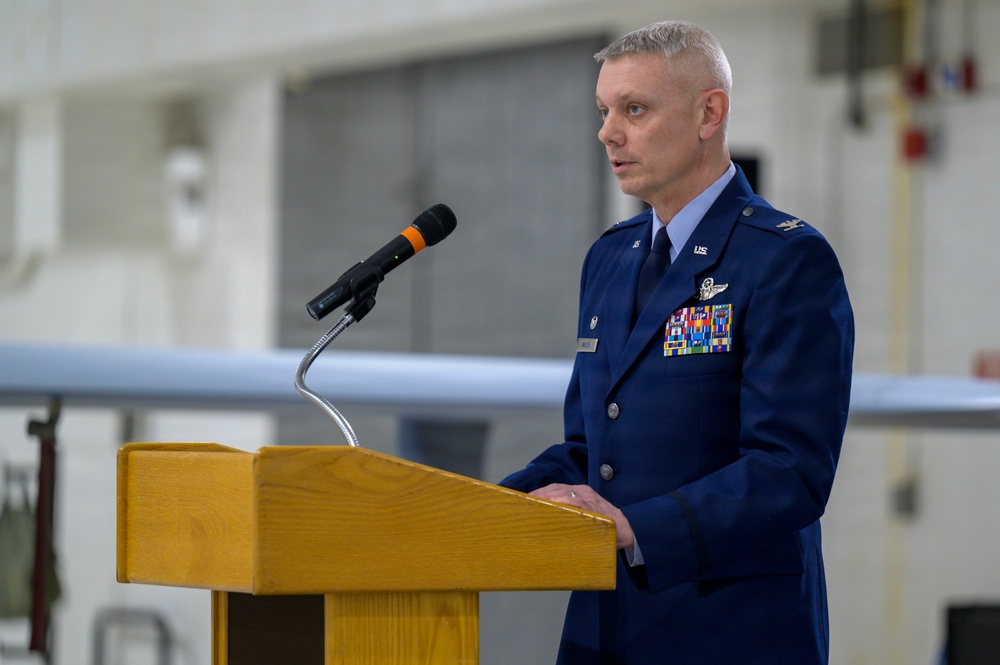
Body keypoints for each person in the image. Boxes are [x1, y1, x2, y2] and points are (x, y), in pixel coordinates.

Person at [499, 20, 854, 664]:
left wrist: (635, 527)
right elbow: (591, 447)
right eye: (605, 111)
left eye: (634, 109)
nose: (609, 132)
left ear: (708, 113)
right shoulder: (610, 258)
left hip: (728, 625)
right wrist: (487, 508)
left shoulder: (784, 259)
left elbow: (790, 471)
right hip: (606, 622)